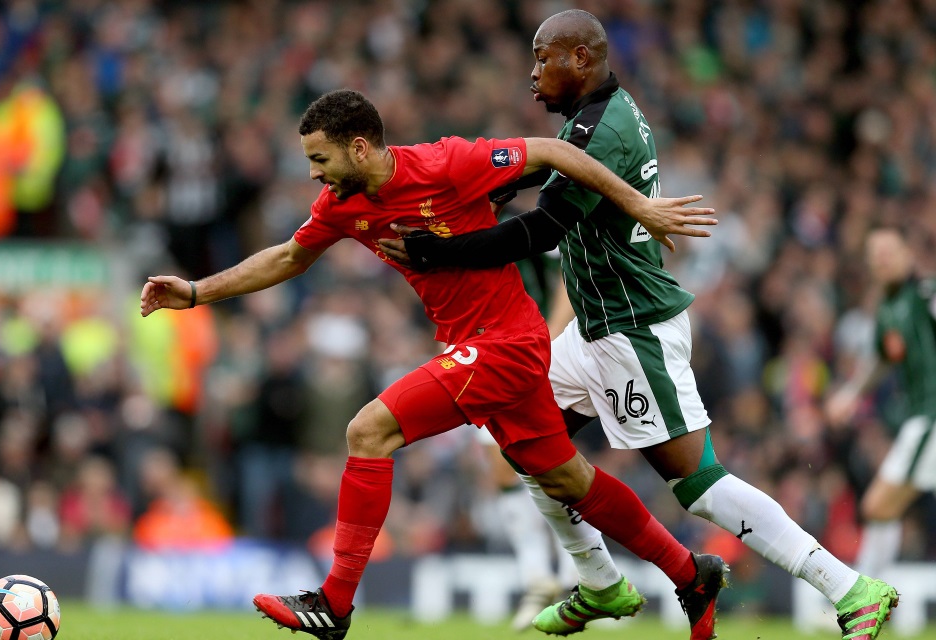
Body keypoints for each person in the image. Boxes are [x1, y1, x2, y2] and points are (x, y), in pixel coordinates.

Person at [377, 10, 899, 640]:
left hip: (633, 331)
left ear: (581, 59)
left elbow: (544, 230)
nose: (533, 72)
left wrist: (438, 253)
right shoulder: (592, 118)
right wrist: (503, 182)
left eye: (544, 59)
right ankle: (599, 583)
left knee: (698, 484)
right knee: (522, 443)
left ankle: (849, 587)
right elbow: (556, 164)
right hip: (593, 330)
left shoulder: (604, 128)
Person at [140, 88, 726, 640]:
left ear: (359, 147)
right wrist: (194, 293)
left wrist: (638, 206)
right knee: (565, 478)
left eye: (320, 159)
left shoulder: (447, 164)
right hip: (477, 345)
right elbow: (291, 256)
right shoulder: (341, 205)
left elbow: (551, 151)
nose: (314, 173)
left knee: (368, 431)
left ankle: (334, 605)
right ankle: (689, 572)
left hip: (508, 343)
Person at [826, 225, 936, 580]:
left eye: (890, 251)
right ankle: (868, 602)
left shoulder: (924, 293)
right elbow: (881, 361)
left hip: (931, 417)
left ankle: (866, 603)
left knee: (878, 506)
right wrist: (849, 395)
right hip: (920, 417)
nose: (883, 260)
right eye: (876, 255)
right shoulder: (890, 309)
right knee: (879, 509)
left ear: (908, 254)